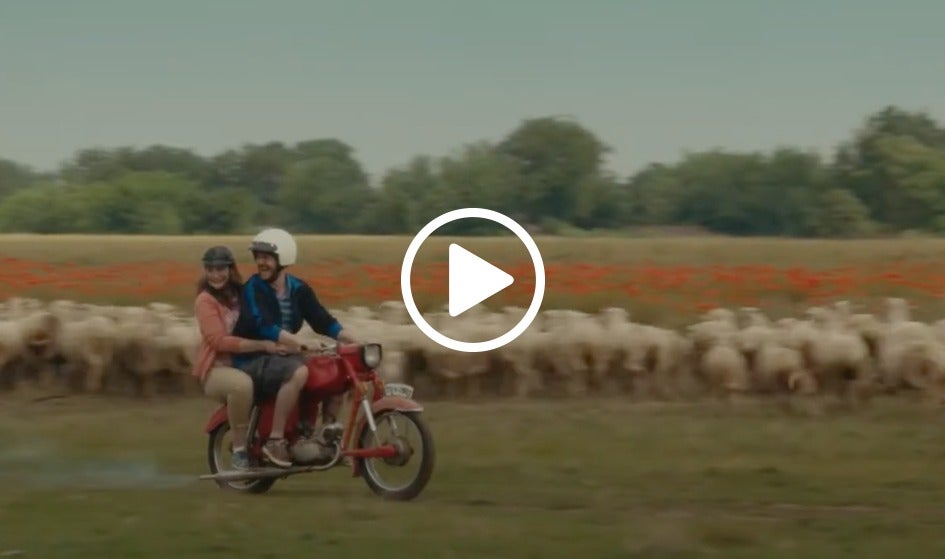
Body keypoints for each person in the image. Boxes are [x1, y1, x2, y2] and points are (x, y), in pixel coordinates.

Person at [231, 228, 358, 468]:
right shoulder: (252, 288)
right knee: (297, 372)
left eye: (267, 257)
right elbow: (262, 324)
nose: (261, 262)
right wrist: (299, 344)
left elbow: (323, 321)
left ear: (283, 258)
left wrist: (356, 340)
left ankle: (325, 436)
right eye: (258, 257)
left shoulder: (298, 289)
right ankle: (275, 441)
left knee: (336, 371)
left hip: (284, 355)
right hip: (252, 358)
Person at [192, 245, 286, 470]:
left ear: (230, 269)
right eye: (210, 270)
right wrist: (262, 345)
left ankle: (281, 439)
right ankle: (240, 449)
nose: (215, 275)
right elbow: (218, 341)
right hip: (217, 369)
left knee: (288, 373)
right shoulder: (205, 301)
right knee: (241, 386)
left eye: (220, 269)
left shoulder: (242, 294)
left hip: (246, 362)